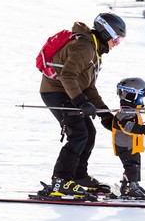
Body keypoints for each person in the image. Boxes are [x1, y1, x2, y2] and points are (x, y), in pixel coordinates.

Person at [39, 13, 126, 197]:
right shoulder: (85, 47)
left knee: (89, 133)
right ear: (106, 33)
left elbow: (88, 86)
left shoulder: (94, 50)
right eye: (116, 40)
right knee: (78, 133)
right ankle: (61, 180)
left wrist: (104, 114)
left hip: (68, 92)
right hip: (55, 92)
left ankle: (78, 176)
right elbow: (67, 76)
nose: (116, 45)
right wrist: (81, 102)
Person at [112, 77, 145, 200]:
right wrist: (143, 130)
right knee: (131, 165)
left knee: (135, 165)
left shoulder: (132, 111)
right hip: (124, 145)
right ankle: (130, 187)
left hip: (132, 145)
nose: (142, 100)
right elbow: (127, 126)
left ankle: (133, 184)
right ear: (130, 95)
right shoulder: (124, 113)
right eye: (140, 96)